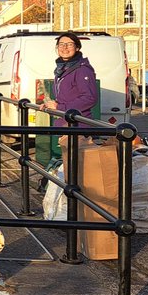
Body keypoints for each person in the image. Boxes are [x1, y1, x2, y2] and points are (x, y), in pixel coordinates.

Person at [37, 32, 99, 183]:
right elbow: (66, 96)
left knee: (77, 171)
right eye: (61, 45)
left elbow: (90, 98)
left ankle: (77, 202)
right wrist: (51, 105)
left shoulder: (82, 69)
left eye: (69, 44)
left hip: (78, 126)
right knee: (70, 169)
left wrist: (61, 107)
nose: (65, 48)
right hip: (66, 125)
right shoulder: (62, 69)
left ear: (77, 48)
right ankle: (68, 200)